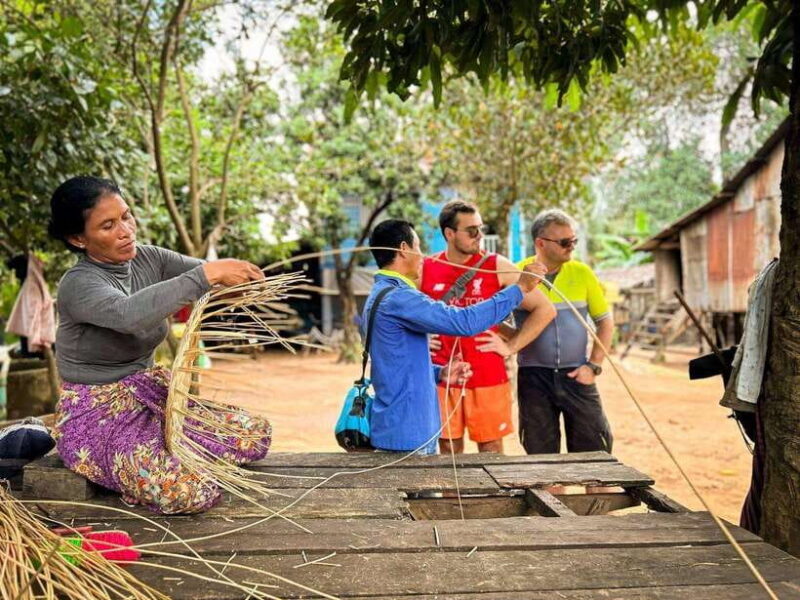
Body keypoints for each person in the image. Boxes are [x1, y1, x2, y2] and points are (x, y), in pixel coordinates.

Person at [49, 176, 270, 514]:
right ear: (78, 239)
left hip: (152, 399)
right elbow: (129, 315)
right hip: (96, 415)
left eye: (126, 216)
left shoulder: (149, 258)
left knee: (253, 436)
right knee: (186, 492)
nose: (126, 230)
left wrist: (237, 283)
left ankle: (152, 461)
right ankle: (134, 465)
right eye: (108, 225)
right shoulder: (78, 284)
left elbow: (208, 279)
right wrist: (207, 276)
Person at [363, 219, 543, 454]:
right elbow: (463, 322)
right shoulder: (399, 298)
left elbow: (397, 365)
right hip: (407, 431)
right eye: (418, 246)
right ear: (404, 249)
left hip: (400, 425)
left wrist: (440, 372)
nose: (422, 255)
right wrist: (520, 288)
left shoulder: (381, 294)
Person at [421, 200, 554, 454]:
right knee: (448, 450)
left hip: (487, 374)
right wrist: (421, 339)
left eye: (481, 228)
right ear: (449, 233)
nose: (479, 235)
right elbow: (402, 314)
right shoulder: (426, 268)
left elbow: (545, 310)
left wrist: (510, 346)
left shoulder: (496, 266)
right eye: (472, 230)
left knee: (492, 449)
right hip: (442, 374)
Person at [480, 209, 614, 454]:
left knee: (595, 452)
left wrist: (593, 366)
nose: (571, 246)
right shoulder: (517, 274)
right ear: (540, 243)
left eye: (573, 241)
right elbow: (495, 318)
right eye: (564, 242)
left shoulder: (582, 273)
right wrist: (510, 344)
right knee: (540, 456)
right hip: (533, 378)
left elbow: (605, 322)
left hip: (577, 375)